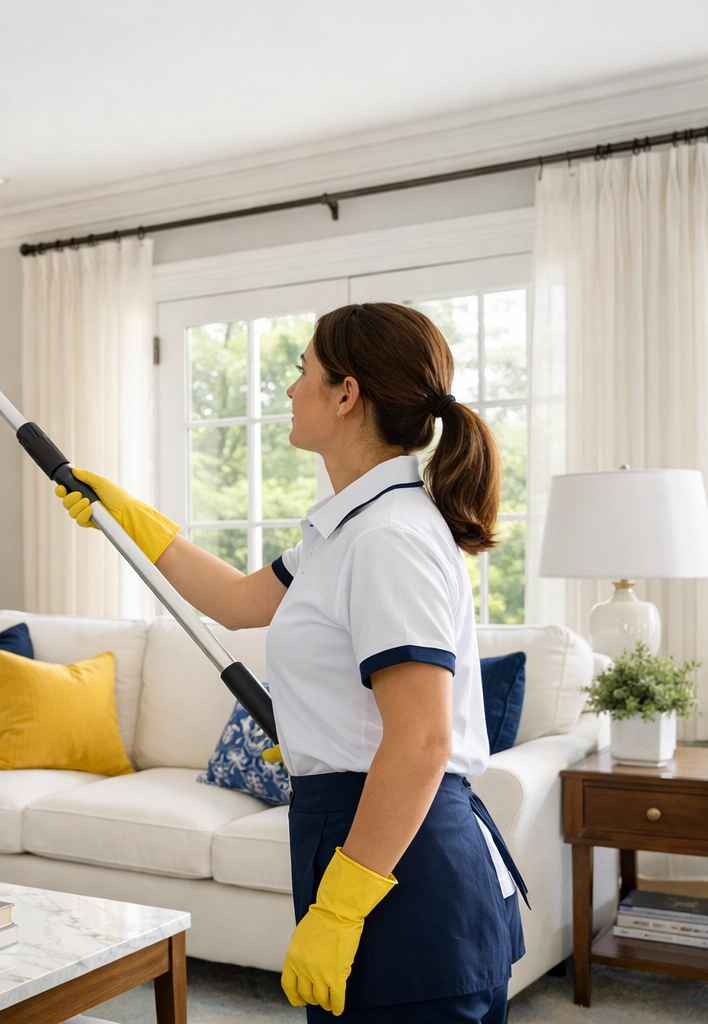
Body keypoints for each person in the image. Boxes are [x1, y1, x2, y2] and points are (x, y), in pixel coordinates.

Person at [57, 303, 526, 1022]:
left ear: (347, 394)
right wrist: (126, 520)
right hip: (364, 840)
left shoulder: (388, 539)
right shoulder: (346, 529)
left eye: (302, 369)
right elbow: (240, 601)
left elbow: (423, 740)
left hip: (399, 867)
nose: (289, 388)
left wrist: (341, 909)